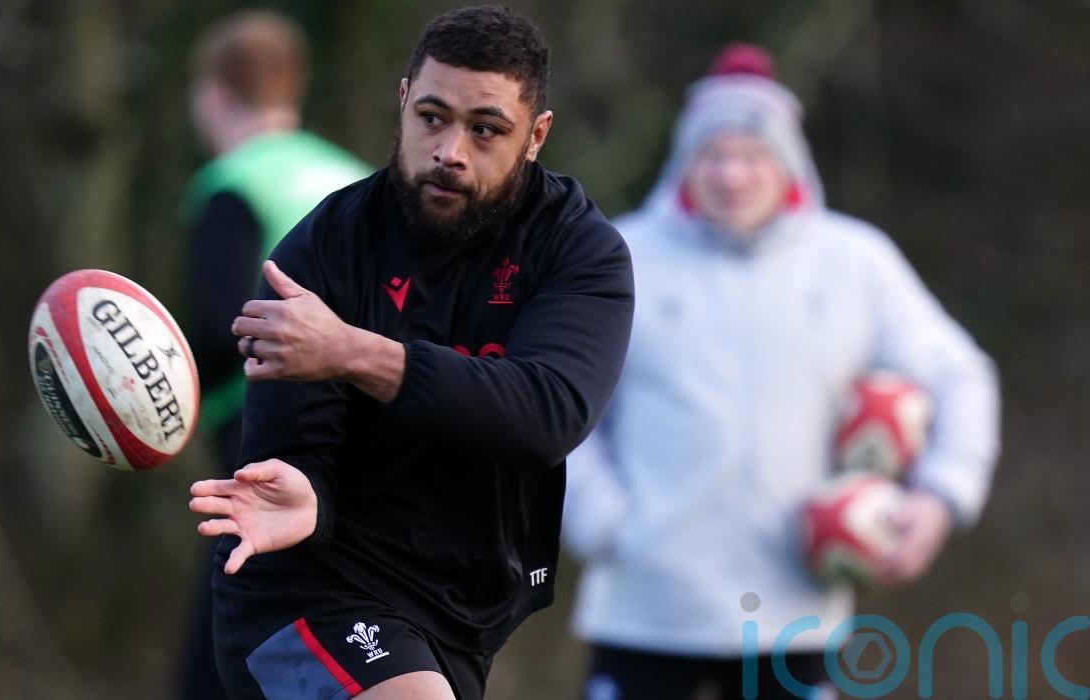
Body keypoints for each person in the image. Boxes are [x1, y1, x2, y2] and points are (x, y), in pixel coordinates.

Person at [187, 6, 633, 699]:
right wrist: (305, 495)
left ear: (536, 136)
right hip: (310, 586)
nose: (450, 150)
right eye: (432, 117)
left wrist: (353, 352)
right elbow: (292, 451)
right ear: (402, 102)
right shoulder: (323, 246)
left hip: (461, 611)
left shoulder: (578, 250)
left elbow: (546, 414)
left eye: (485, 129)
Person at [561, 44, 1000, 699]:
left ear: (788, 163)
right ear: (685, 162)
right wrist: (598, 518)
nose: (731, 174)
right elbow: (558, 397)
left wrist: (939, 497)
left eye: (752, 154)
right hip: (644, 613)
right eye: (713, 154)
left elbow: (960, 375)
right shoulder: (618, 256)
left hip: (793, 617)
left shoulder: (856, 263)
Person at [178, 11, 373, 698]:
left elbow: (217, 328)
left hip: (268, 446)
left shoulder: (233, 182)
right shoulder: (355, 179)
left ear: (213, 93)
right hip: (376, 437)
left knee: (225, 654)